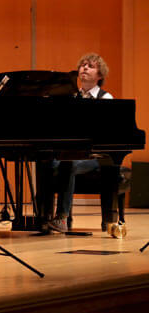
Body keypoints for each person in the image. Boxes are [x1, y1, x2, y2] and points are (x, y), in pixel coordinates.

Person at [37, 53, 113, 232]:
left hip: (95, 156)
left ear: (100, 75)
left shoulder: (106, 98)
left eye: (91, 66)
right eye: (83, 65)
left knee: (67, 162)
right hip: (71, 153)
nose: (85, 68)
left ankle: (62, 218)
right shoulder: (70, 98)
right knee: (45, 161)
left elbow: (107, 133)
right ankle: (43, 216)